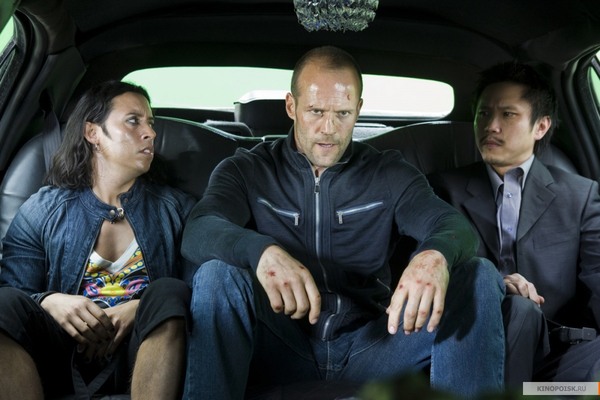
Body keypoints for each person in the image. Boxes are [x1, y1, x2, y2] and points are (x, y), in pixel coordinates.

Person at [182, 45, 505, 399]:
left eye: (343, 114)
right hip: (279, 344)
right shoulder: (247, 168)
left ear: (359, 110)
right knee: (216, 274)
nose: (329, 128)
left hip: (374, 345)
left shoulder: (388, 172)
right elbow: (199, 228)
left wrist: (434, 256)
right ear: (291, 106)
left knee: (478, 274)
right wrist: (260, 251)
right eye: (316, 111)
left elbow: (452, 225)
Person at [0, 81, 196, 399]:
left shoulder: (176, 209)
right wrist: (49, 301)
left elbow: (204, 292)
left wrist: (140, 307)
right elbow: (15, 293)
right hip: (60, 356)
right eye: (133, 121)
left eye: (150, 123)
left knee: (169, 291)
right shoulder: (42, 210)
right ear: (93, 133)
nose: (150, 133)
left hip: (141, 353)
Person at [428, 62, 600, 387]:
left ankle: (539, 392)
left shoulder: (580, 196)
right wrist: (496, 284)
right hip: (475, 345)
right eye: (483, 114)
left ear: (541, 126)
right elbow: (428, 269)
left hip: (557, 355)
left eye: (508, 114)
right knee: (520, 309)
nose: (491, 126)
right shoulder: (441, 190)